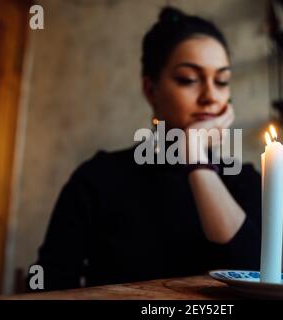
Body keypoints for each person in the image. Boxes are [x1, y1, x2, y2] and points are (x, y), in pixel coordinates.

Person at [30, 6, 262, 291]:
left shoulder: (244, 181)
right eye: (189, 79)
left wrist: (195, 159)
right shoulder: (97, 179)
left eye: (222, 81)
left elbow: (254, 277)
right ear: (151, 89)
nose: (211, 96)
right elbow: (47, 284)